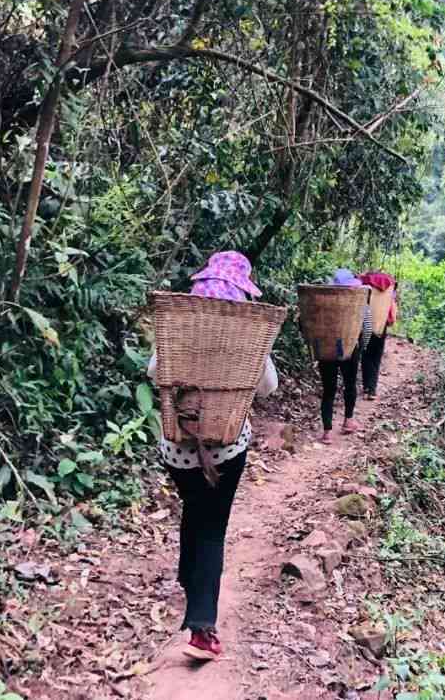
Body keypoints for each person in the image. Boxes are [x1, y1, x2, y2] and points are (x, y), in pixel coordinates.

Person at [147, 251, 277, 662]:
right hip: (226, 448)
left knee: (194, 508)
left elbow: (154, 372)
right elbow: (268, 387)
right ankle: (202, 627)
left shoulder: (178, 326)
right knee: (212, 527)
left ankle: (190, 577)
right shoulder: (247, 332)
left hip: (177, 447)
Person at [318, 268, 371, 444]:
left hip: (326, 350)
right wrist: (360, 347)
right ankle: (348, 421)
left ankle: (327, 432)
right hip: (349, 349)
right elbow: (367, 328)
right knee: (350, 385)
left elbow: (307, 324)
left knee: (328, 390)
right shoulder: (358, 302)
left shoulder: (321, 302)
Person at [359, 271, 397, 400]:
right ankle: (372, 389)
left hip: (365, 326)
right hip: (382, 327)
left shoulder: (365, 285)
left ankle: (366, 388)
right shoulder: (388, 292)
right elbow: (391, 316)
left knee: (366, 356)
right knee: (376, 357)